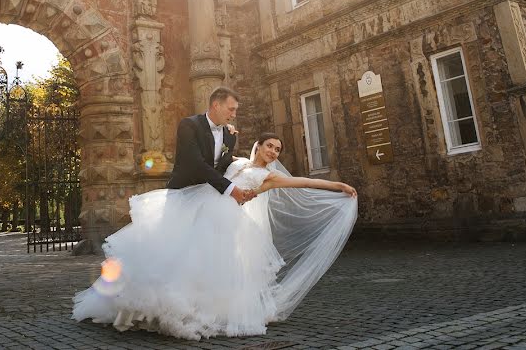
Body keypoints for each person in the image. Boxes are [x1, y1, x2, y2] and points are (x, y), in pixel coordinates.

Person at [72, 132, 358, 340]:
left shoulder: (269, 178)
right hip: (201, 206)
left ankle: (195, 308)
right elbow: (212, 163)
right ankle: (146, 303)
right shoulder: (237, 162)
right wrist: (228, 139)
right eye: (270, 146)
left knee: (209, 263)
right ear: (260, 146)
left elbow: (305, 181)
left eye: (278, 150)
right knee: (181, 253)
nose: (273, 152)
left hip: (227, 220)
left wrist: (337, 185)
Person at [166, 86, 256, 205]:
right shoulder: (189, 125)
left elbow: (223, 165)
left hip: (212, 197)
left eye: (235, 110)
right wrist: (231, 190)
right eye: (231, 109)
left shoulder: (230, 135)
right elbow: (196, 164)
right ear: (216, 105)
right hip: (183, 196)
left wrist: (245, 167)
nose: (234, 115)